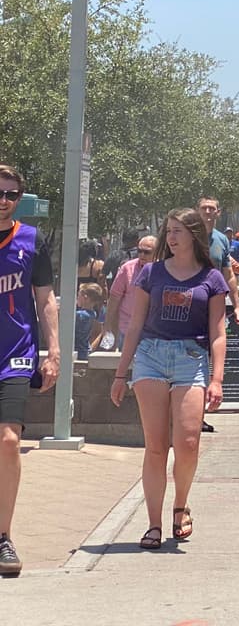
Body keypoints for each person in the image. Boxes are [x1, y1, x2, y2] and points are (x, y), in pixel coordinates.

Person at [111, 207, 229, 550]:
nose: (172, 237)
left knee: (188, 441)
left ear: (194, 234)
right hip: (151, 356)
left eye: (178, 231)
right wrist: (121, 373)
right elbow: (135, 324)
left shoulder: (211, 278)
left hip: (191, 359)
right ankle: (153, 523)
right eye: (169, 231)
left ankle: (181, 505)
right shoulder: (151, 273)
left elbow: (218, 333)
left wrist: (217, 379)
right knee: (156, 445)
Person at [0, 164, 59, 576]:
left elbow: (46, 300)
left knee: (8, 440)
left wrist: (53, 351)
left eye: (11, 194)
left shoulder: (31, 240)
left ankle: (3, 536)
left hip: (15, 355)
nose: (3, 200)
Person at [104, 234, 157, 351]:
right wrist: (107, 325)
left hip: (154, 332)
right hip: (128, 329)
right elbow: (114, 297)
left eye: (147, 252)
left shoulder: (164, 269)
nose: (142, 255)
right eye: (139, 251)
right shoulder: (127, 268)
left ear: (157, 253)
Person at [197, 196, 239, 325]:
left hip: (214, 301)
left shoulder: (222, 239)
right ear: (197, 211)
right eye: (204, 208)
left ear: (218, 212)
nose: (207, 211)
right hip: (190, 300)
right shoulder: (187, 235)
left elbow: (229, 275)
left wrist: (237, 306)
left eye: (211, 208)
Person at [73, 282, 106, 360]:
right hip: (85, 350)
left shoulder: (80, 315)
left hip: (77, 351)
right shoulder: (93, 313)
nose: (77, 298)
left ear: (85, 298)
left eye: (78, 296)